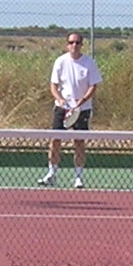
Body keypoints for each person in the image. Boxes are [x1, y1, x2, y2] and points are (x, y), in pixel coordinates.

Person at [39, 31, 102, 187]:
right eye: (71, 42)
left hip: (82, 109)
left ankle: (78, 177)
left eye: (77, 43)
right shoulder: (60, 61)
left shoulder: (89, 63)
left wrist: (82, 101)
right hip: (62, 109)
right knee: (55, 140)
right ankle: (51, 174)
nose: (74, 45)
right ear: (67, 45)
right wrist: (61, 100)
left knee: (79, 142)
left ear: (81, 45)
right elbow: (53, 85)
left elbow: (93, 86)